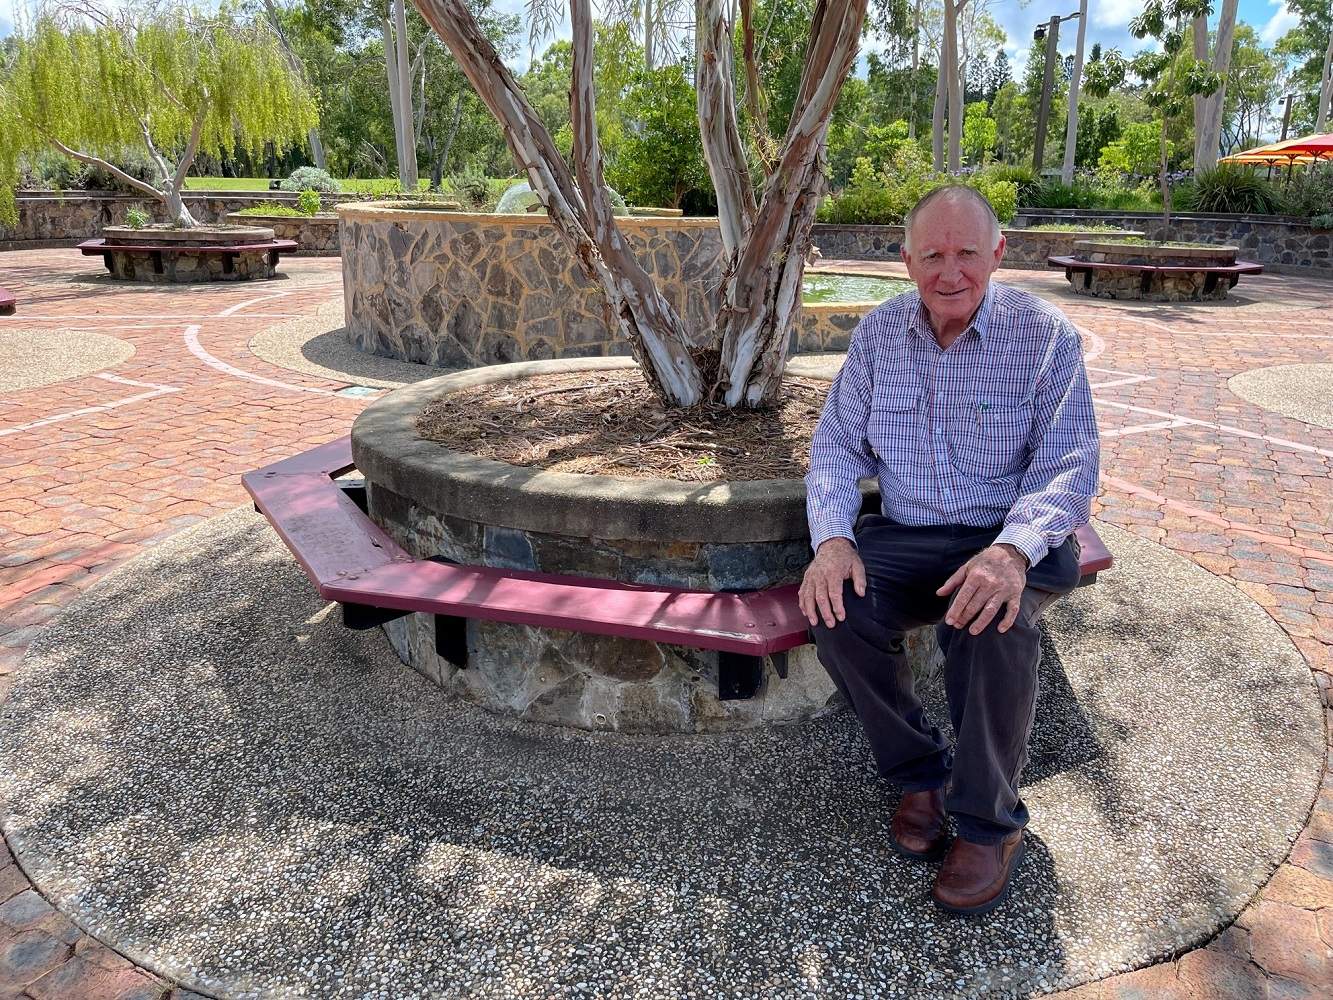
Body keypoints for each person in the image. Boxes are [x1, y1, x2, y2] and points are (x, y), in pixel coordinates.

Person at [800, 185, 1100, 916]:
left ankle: (989, 822)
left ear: (997, 253)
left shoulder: (1043, 335)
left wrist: (1011, 552)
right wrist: (832, 539)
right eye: (931, 254)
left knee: (992, 622)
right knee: (835, 609)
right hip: (907, 531)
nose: (950, 271)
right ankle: (919, 774)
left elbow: (1068, 465)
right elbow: (835, 444)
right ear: (906, 261)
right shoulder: (879, 334)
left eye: (967, 252)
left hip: (1008, 534)